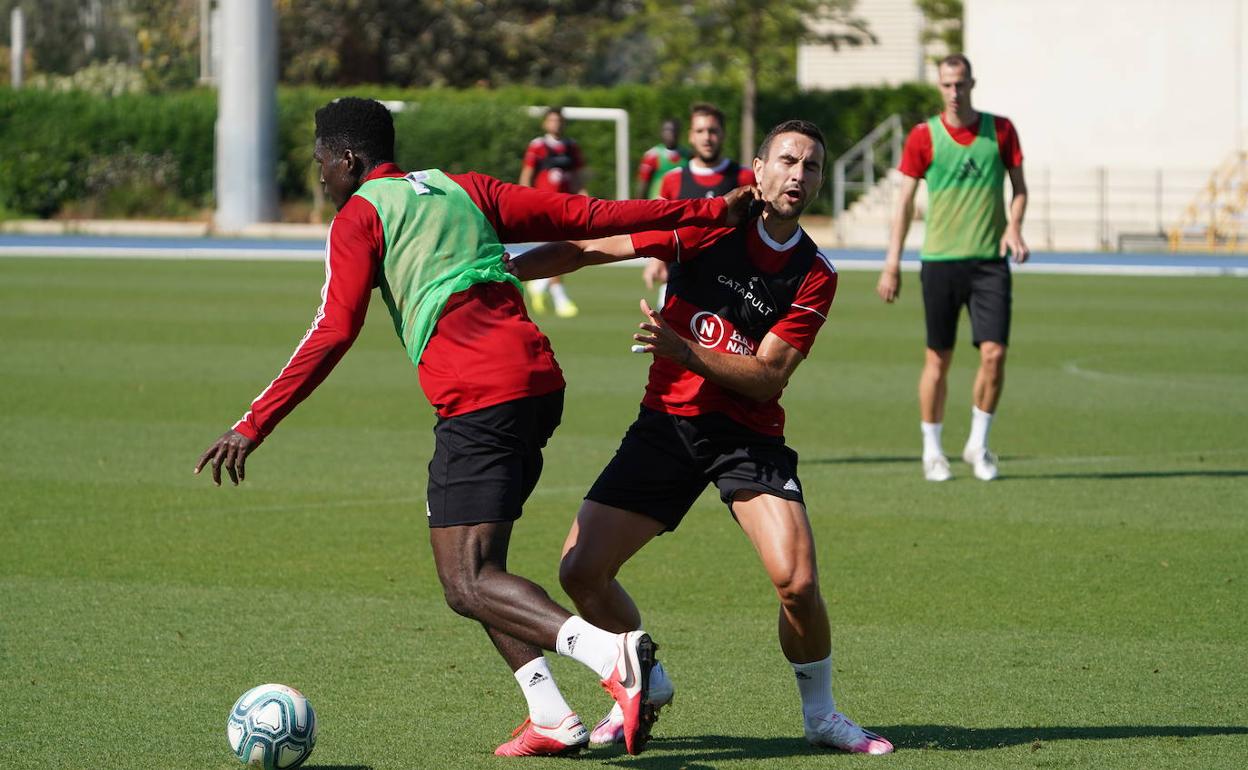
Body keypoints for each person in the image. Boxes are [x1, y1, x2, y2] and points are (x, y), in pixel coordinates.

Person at [193, 97, 755, 758]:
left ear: (348, 160)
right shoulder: (463, 188)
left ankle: (613, 656)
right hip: (535, 382)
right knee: (477, 568)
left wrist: (254, 423)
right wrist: (709, 210)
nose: (318, 174)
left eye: (320, 160)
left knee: (467, 581)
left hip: (480, 396)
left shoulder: (360, 216)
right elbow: (586, 214)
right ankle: (550, 715)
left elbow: (333, 329)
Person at [510, 119, 894, 756]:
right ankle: (646, 679)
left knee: (797, 583)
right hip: (668, 426)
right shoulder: (706, 225)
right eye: (789, 161)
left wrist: (683, 349)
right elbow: (586, 246)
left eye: (813, 167)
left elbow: (768, 378)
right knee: (582, 571)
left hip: (747, 438)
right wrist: (502, 270)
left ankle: (822, 716)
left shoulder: (814, 273)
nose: (800, 175)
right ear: (760, 168)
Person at [875, 53, 1029, 482]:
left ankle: (978, 445)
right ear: (939, 87)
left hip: (989, 263)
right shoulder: (924, 136)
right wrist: (892, 263)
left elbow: (1019, 190)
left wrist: (1014, 227)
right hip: (940, 262)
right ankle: (932, 451)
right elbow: (904, 203)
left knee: (995, 355)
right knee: (938, 360)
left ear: (972, 83)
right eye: (946, 85)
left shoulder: (1001, 130)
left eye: (960, 84)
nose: (954, 92)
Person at [642, 103, 758, 298]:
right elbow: (662, 226)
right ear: (691, 136)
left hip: (732, 287)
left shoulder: (745, 178)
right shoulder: (673, 179)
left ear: (723, 134)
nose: (707, 137)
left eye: (713, 131)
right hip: (680, 283)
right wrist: (656, 260)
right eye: (700, 131)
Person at [519, 107, 585, 318]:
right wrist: (524, 202)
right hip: (545, 206)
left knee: (563, 247)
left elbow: (576, 177)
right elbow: (527, 176)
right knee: (560, 247)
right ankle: (559, 297)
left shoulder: (571, 147)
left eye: (559, 120)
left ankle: (539, 286)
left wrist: (585, 197)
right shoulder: (538, 146)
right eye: (552, 120)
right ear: (545, 124)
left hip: (567, 206)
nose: (556, 124)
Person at [634, 118, 689, 200]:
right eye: (667, 130)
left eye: (674, 130)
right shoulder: (652, 155)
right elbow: (643, 183)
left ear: (678, 132)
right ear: (661, 132)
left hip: (681, 203)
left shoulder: (687, 155)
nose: (670, 133)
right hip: (658, 204)